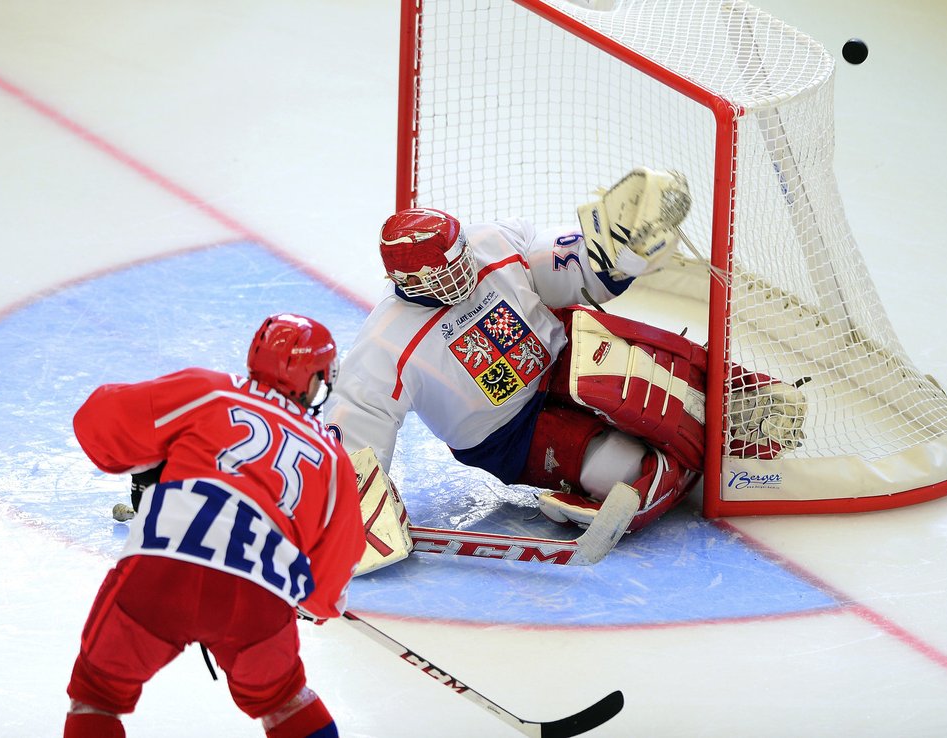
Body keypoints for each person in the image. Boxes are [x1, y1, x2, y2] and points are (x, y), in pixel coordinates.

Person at [323, 168, 807, 533]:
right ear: (404, 281)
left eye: (461, 257)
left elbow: (571, 274)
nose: (462, 273)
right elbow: (359, 426)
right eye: (443, 273)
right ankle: (662, 468)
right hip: (507, 434)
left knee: (643, 380)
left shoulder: (492, 242)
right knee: (618, 467)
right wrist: (351, 514)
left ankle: (737, 401)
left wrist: (620, 253)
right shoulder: (385, 343)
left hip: (565, 353)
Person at [64, 313, 364, 738]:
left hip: (161, 570)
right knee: (286, 703)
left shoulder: (209, 391)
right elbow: (327, 589)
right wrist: (306, 600)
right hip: (255, 598)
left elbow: (96, 421)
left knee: (96, 697)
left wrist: (153, 458)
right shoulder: (331, 457)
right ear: (313, 379)